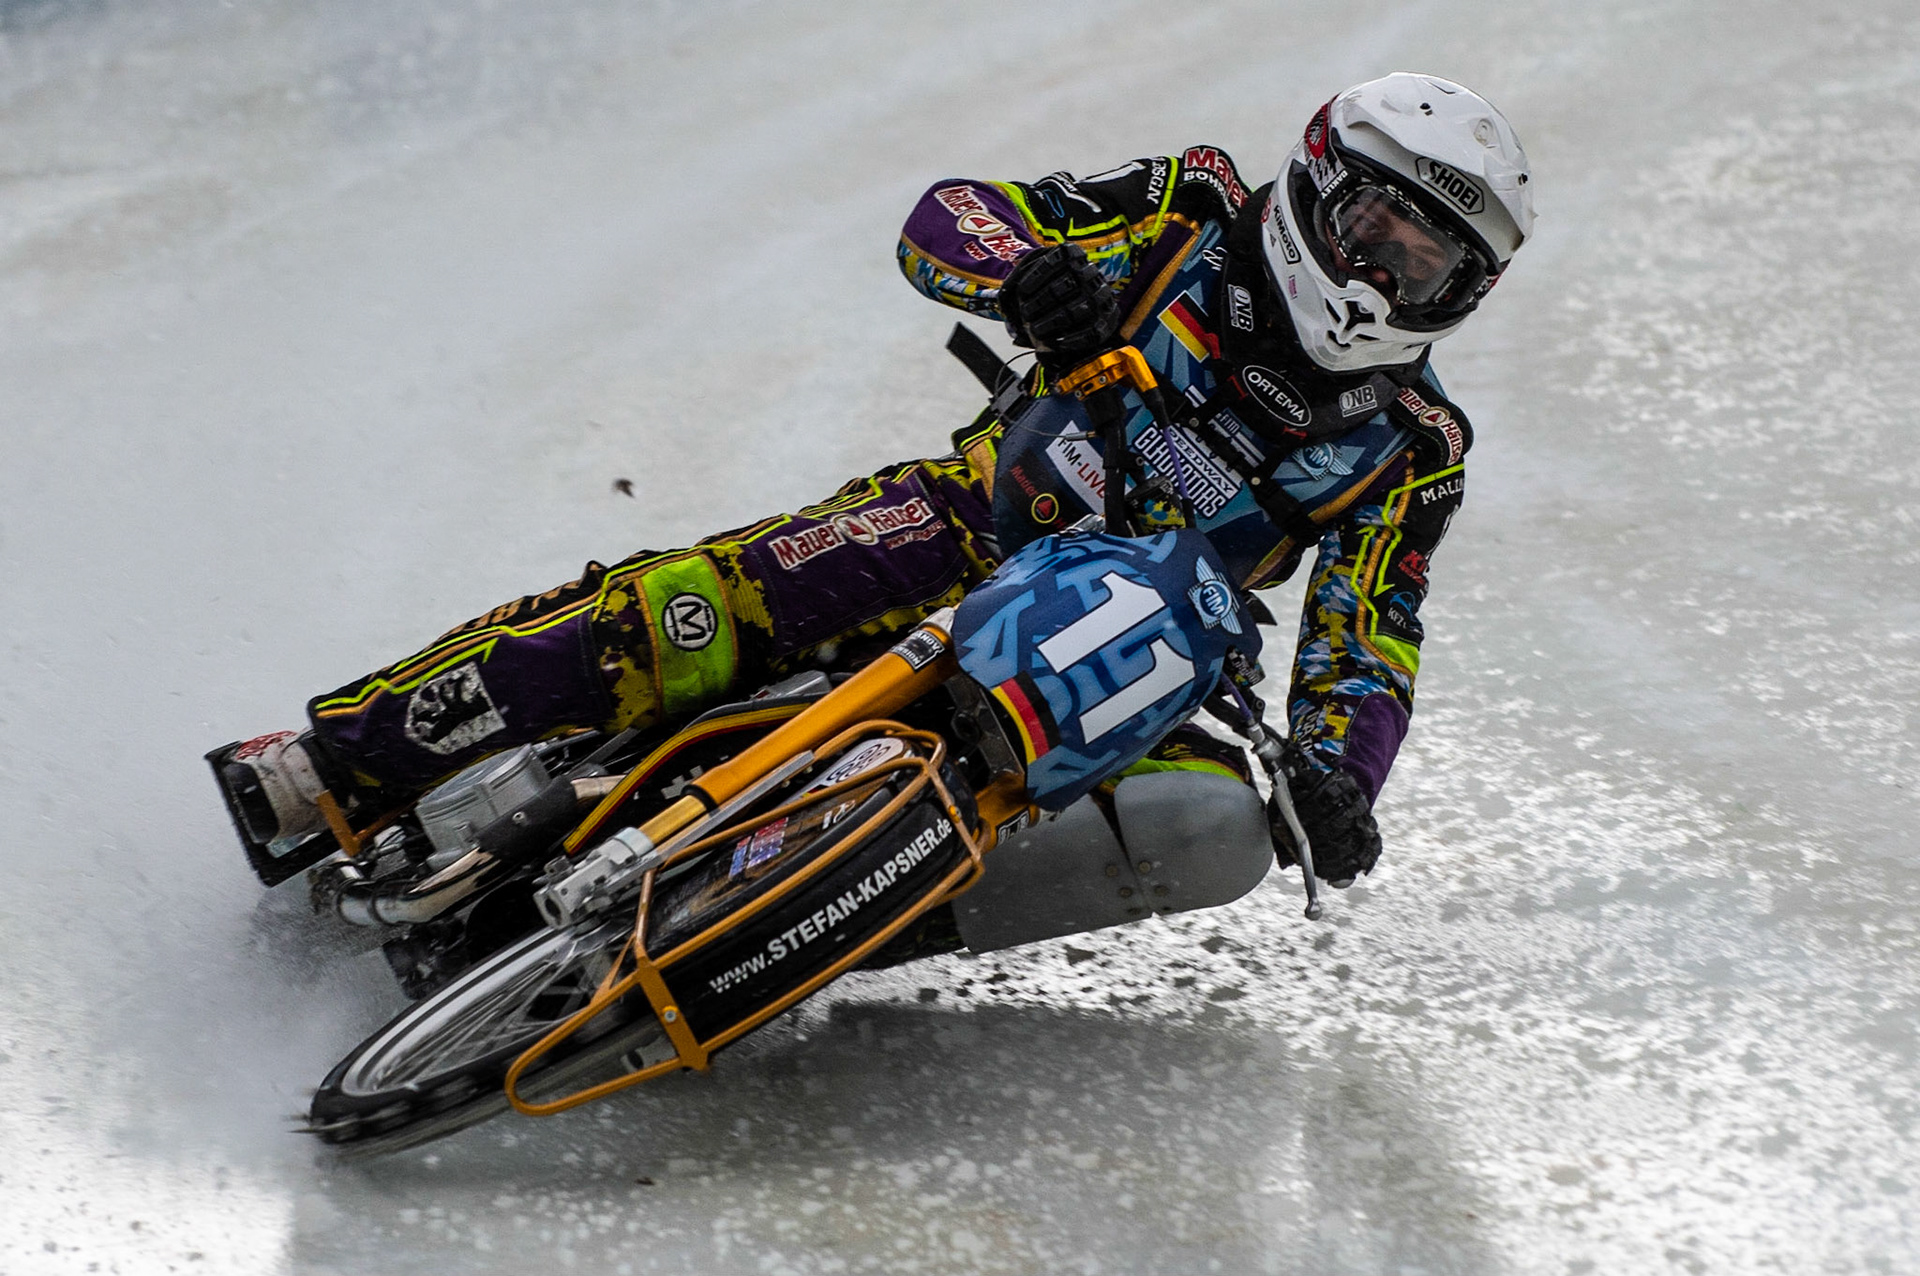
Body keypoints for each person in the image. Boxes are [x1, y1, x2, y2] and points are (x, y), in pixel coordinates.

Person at [214, 72, 1534, 893]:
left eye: (1425, 272)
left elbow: (1369, 642)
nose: (1379, 281)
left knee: (1216, 829)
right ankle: (331, 769)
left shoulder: (1413, 445)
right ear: (1319, 185)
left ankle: (849, 925)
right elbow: (952, 215)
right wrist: (1024, 272)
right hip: (977, 518)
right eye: (1374, 232)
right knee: (681, 613)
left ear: (1463, 298)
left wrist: (1338, 777)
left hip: (1135, 655)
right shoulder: (1191, 207)